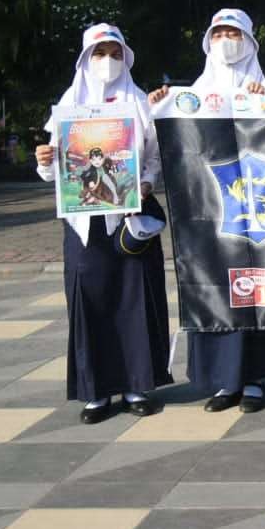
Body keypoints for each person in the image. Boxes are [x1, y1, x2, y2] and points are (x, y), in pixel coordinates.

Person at [150, 9, 265, 413]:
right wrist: (159, 104)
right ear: (208, 42)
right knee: (215, 287)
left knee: (258, 284)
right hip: (210, 208)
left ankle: (255, 378)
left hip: (258, 208)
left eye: (235, 32)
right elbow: (161, 146)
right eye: (219, 33)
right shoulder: (190, 96)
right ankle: (222, 381)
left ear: (250, 41)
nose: (226, 40)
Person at [35, 24, 172, 424]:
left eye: (114, 52)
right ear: (84, 59)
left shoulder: (138, 102)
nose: (107, 61)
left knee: (134, 298)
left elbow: (155, 156)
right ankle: (95, 392)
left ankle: (137, 385)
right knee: (89, 299)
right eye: (98, 53)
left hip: (128, 218)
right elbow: (55, 170)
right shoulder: (68, 104)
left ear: (125, 57)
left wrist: (146, 181)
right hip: (84, 225)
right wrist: (44, 162)